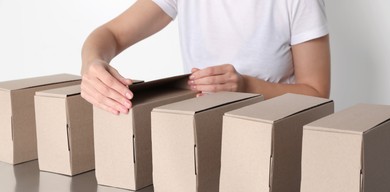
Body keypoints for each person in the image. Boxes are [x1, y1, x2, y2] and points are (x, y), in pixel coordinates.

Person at [81, 0, 330, 115]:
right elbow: (110, 35)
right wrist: (92, 64)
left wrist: (247, 86)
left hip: (273, 140)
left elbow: (317, 93)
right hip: (202, 135)